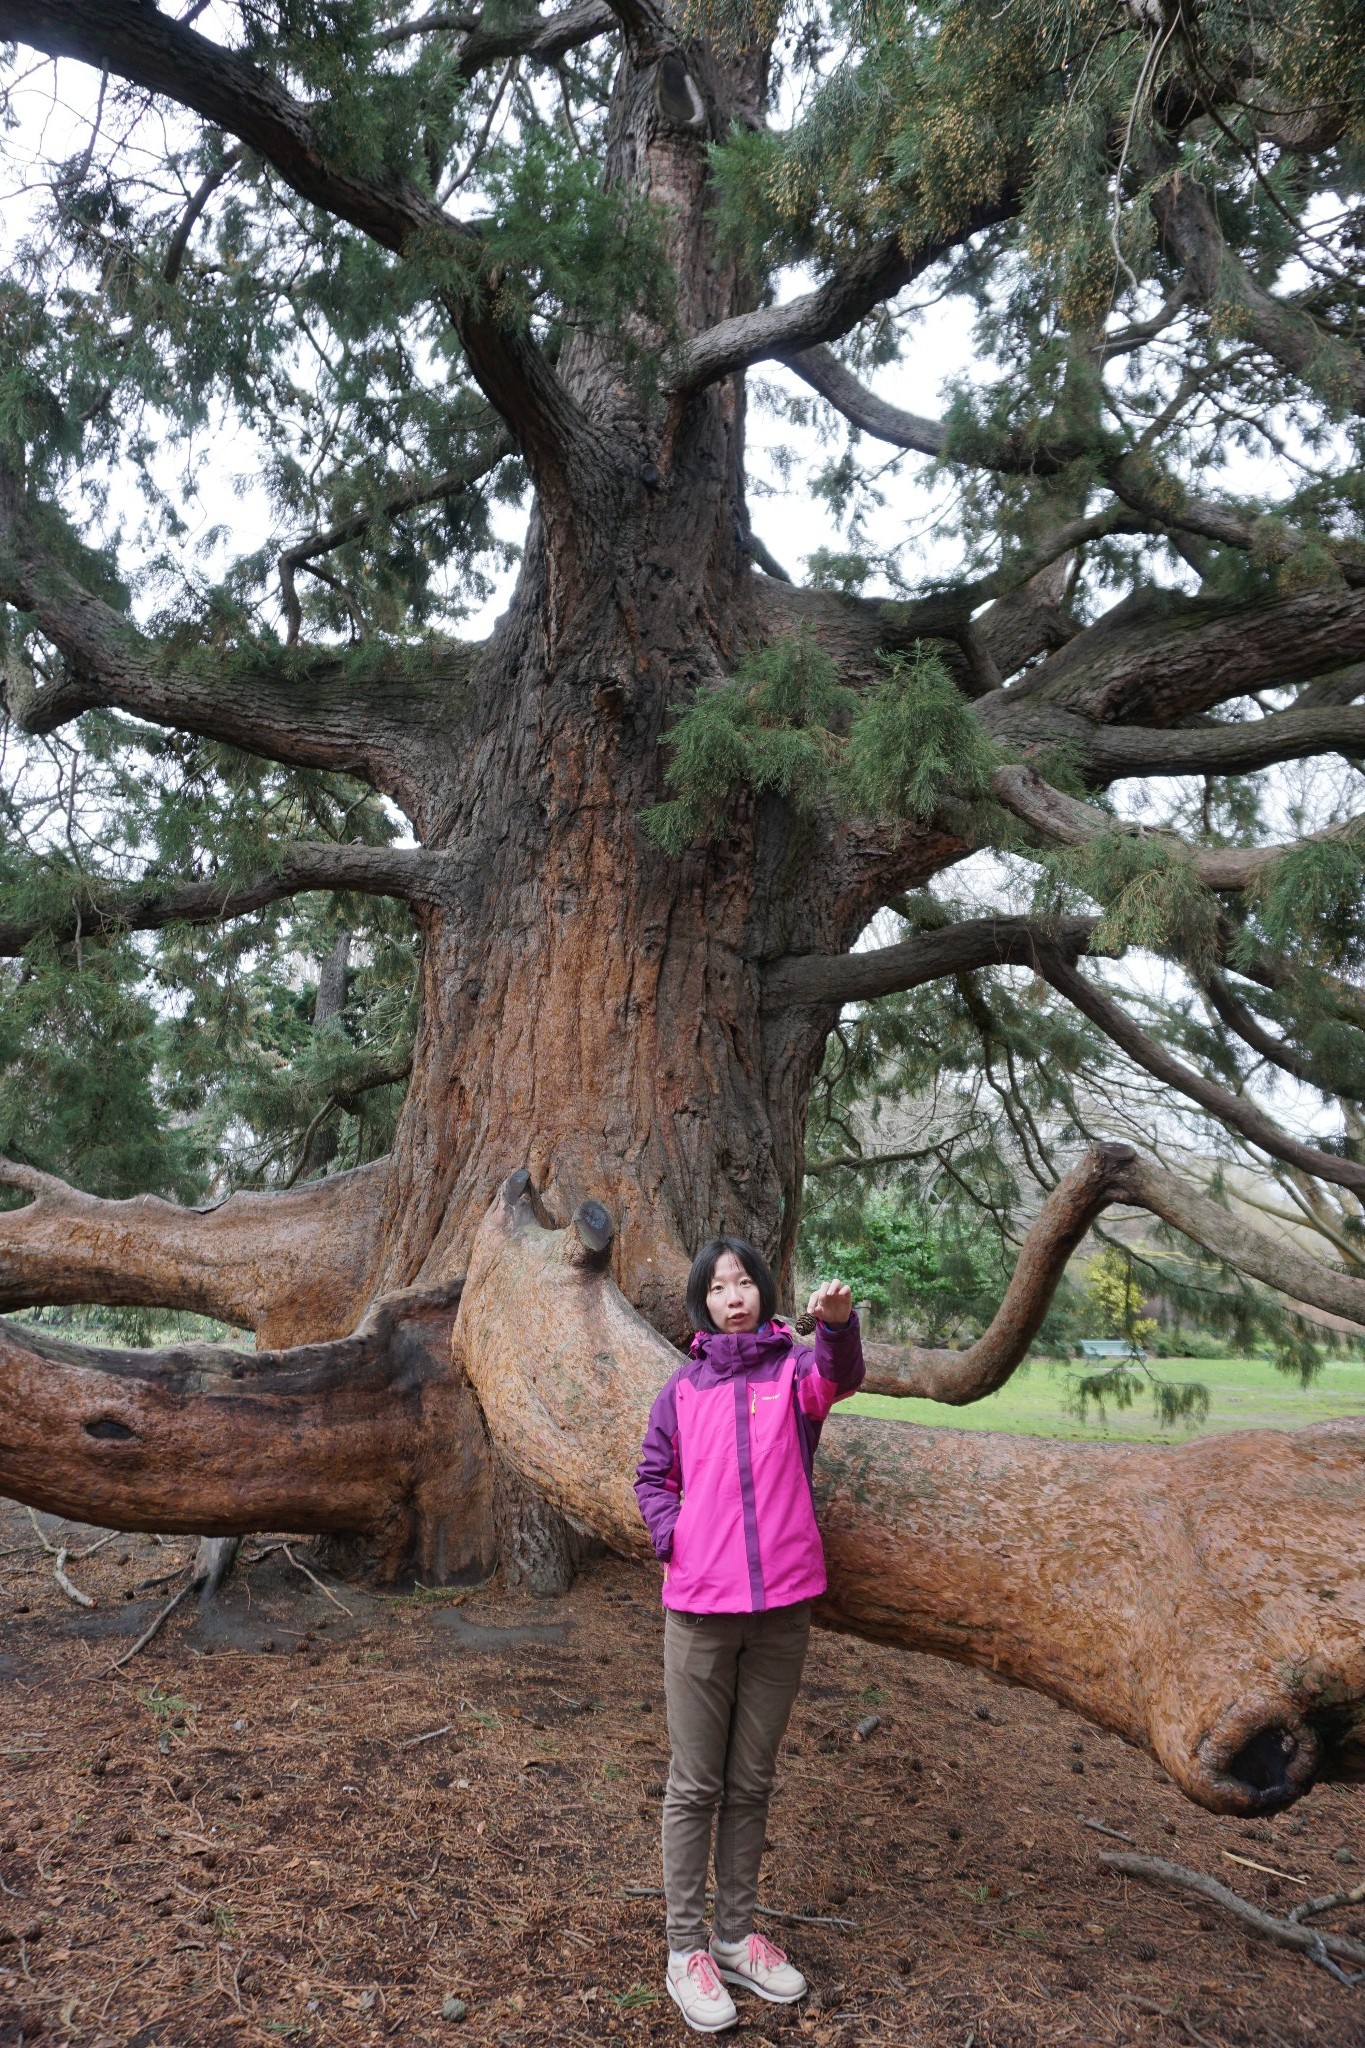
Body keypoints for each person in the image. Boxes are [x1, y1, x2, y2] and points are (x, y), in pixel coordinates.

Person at [634, 1237, 865, 2033]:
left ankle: (733, 1937)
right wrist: (677, 1536)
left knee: (752, 1780)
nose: (733, 1295)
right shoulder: (682, 1390)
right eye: (718, 1286)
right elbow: (652, 1477)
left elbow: (837, 1377)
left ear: (764, 1295)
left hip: (780, 1612)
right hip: (699, 1610)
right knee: (696, 1783)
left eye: (745, 1283)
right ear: (701, 1303)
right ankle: (683, 1950)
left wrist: (835, 1325)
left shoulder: (790, 1372)